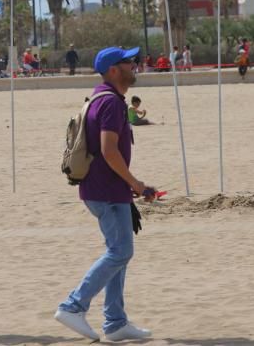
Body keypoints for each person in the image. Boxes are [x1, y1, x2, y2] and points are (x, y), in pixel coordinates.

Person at [55, 46, 155, 341]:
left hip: (109, 190)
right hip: (106, 191)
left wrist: (129, 186)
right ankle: (72, 306)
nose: (135, 65)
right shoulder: (111, 103)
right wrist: (135, 183)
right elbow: (109, 151)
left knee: (119, 252)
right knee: (120, 251)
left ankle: (115, 323)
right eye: (129, 62)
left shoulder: (106, 99)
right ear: (114, 69)